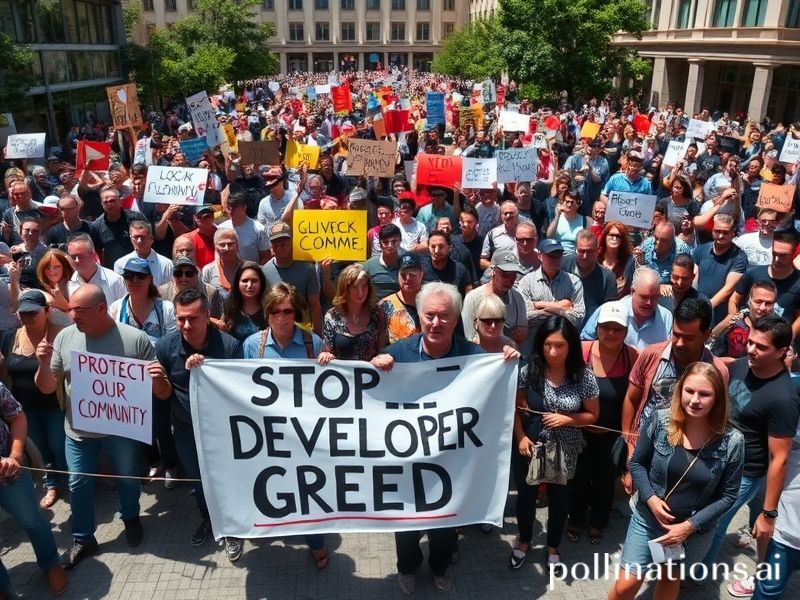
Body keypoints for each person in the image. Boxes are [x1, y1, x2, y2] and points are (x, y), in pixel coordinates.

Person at [369, 282, 508, 594]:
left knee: (445, 527)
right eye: (429, 315)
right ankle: (407, 568)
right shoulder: (397, 354)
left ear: (456, 319)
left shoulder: (476, 358)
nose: (436, 322)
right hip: (407, 463)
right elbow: (369, 399)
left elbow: (500, 391)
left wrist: (506, 361)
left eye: (444, 316)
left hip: (451, 463)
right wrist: (375, 366)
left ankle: (440, 567)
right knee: (405, 527)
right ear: (419, 317)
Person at [33, 284, 171, 568]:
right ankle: (84, 538)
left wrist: (158, 380)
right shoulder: (65, 339)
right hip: (78, 430)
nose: (72, 316)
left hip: (121, 430)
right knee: (78, 482)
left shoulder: (135, 340)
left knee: (127, 474)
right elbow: (47, 388)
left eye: (78, 310)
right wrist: (43, 365)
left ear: (100, 309)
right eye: (70, 309)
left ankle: (131, 517)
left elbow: (163, 393)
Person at [608, 363, 744, 600]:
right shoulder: (661, 420)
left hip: (688, 534)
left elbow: (728, 495)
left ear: (718, 398)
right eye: (689, 391)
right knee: (625, 585)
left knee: (669, 581)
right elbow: (637, 463)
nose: (694, 400)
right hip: (647, 521)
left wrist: (689, 526)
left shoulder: (732, 441)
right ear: (680, 390)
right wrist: (650, 498)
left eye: (704, 394)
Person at [701, 315, 799, 597]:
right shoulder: (745, 365)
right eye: (750, 342)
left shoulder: (783, 399)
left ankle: (695, 575)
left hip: (744, 472)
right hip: (716, 457)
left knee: (715, 523)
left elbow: (779, 458)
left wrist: (768, 515)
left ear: (782, 352)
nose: (751, 350)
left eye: (761, 347)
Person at [241, 282, 329, 568]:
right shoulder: (253, 345)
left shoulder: (311, 343)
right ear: (267, 314)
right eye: (275, 311)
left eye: (288, 311)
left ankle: (315, 541)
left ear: (296, 313)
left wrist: (329, 363)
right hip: (268, 434)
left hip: (305, 434)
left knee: (308, 489)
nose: (281, 317)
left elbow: (326, 391)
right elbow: (241, 386)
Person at [155, 289, 244, 555]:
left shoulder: (229, 346)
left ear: (207, 316)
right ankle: (209, 519)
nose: (186, 325)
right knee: (198, 481)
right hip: (185, 431)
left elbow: (240, 391)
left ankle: (232, 528)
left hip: (223, 432)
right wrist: (157, 381)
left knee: (226, 480)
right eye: (181, 319)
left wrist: (207, 371)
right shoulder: (165, 346)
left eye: (193, 318)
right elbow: (163, 393)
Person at [511, 315, 599, 568]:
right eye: (548, 344)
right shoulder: (529, 371)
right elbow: (515, 408)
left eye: (559, 345)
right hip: (531, 446)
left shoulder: (583, 376)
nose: (552, 351)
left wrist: (567, 419)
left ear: (571, 345)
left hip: (565, 449)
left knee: (560, 501)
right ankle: (525, 541)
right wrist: (521, 437)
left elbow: (593, 415)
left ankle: (552, 547)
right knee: (526, 498)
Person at [619, 298, 729, 492]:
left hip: (684, 457)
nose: (679, 343)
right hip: (643, 449)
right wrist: (629, 445)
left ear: (707, 335)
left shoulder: (717, 371)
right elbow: (631, 399)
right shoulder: (651, 355)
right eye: (676, 334)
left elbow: (716, 418)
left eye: (688, 337)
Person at [567, 301, 638, 545]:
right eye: (605, 327)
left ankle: (598, 522)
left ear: (626, 331)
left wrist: (630, 437)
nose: (610, 333)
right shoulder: (582, 350)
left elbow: (636, 399)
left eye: (617, 328)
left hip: (612, 436)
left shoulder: (632, 356)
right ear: (596, 328)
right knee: (577, 479)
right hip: (580, 431)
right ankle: (575, 518)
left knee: (604, 483)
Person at [108, 257, 178, 487]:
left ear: (150, 279)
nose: (134, 281)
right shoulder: (117, 307)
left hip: (158, 375)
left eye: (140, 276)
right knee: (138, 424)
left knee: (161, 424)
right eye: (129, 276)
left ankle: (171, 465)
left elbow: (171, 341)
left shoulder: (164, 308)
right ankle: (153, 462)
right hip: (128, 379)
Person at [0, 383, 67, 596]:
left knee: (32, 519)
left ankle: (50, 562)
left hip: (9, 472)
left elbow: (16, 415)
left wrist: (16, 454)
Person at [0, 290, 65, 509]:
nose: (27, 317)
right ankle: (52, 483)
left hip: (57, 405)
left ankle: (75, 480)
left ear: (47, 311)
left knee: (59, 444)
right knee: (41, 449)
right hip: (24, 408)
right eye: (23, 313)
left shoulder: (63, 334)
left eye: (32, 313)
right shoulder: (9, 337)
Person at [729, 229, 800, 341]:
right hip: (745, 338)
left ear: (794, 254)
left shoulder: (798, 282)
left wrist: (789, 339)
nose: (777, 259)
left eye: (783, 256)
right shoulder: (753, 273)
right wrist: (738, 324)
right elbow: (734, 300)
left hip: (777, 341)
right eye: (774, 254)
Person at [582, 267, 674, 350]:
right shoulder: (609, 311)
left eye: (654, 297)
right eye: (644, 297)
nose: (649, 303)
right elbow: (585, 341)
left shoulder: (666, 317)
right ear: (632, 291)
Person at [261, 221, 323, 335]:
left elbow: (314, 304)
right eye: (275, 245)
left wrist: (318, 335)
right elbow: (266, 307)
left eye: (283, 244)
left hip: (303, 330)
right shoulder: (264, 271)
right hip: (277, 330)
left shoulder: (307, 268)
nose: (279, 248)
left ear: (291, 242)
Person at [318, 264, 388, 363]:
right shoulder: (332, 316)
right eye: (355, 287)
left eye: (364, 286)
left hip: (371, 375)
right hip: (340, 376)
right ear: (345, 289)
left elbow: (384, 349)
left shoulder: (378, 314)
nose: (361, 292)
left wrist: (381, 358)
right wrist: (325, 354)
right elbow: (326, 350)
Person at [461, 249, 528, 345]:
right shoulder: (473, 298)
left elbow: (523, 331)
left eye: (513, 275)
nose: (509, 280)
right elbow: (468, 336)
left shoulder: (517, 298)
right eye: (505, 275)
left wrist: (521, 333)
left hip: (510, 354)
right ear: (493, 272)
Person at [693, 213, 749, 325]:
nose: (720, 235)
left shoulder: (739, 257)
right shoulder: (701, 250)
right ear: (712, 230)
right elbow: (693, 279)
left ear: (733, 233)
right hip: (697, 308)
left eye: (725, 232)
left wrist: (706, 307)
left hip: (719, 315)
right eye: (717, 231)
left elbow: (728, 289)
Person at [561, 229, 617, 327]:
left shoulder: (607, 278)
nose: (585, 256)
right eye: (581, 251)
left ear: (597, 251)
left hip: (591, 331)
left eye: (590, 251)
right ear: (576, 249)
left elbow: (609, 312)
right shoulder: (562, 266)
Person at [711, 280, 777, 361]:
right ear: (749, 301)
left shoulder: (779, 329)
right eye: (758, 302)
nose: (762, 307)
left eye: (769, 303)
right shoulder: (732, 324)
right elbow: (715, 355)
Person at [89, 185, 148, 269]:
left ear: (120, 202)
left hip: (140, 269)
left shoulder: (137, 218)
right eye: (105, 202)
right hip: (114, 272)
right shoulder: (96, 226)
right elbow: (97, 252)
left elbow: (149, 240)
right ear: (102, 205)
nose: (109, 204)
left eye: (112, 201)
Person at [66, 234, 126, 306]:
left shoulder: (115, 280)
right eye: (73, 257)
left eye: (80, 256)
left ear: (93, 254)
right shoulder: (68, 283)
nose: (77, 260)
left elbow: (123, 310)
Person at [378, 253, 424, 344]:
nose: (407, 279)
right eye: (403, 274)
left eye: (412, 274)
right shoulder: (384, 306)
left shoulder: (432, 301)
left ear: (422, 274)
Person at [112, 221, 174, 286]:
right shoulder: (121, 264)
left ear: (151, 239)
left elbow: (169, 291)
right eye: (136, 237)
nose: (139, 241)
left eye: (143, 237)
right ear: (131, 239)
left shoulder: (167, 264)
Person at [219, 261, 268, 342]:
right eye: (245, 281)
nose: (249, 285)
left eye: (254, 281)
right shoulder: (230, 308)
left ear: (261, 283)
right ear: (237, 283)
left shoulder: (269, 309)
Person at [218, 192, 271, 264]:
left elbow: (266, 257)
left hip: (250, 272)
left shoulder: (259, 229)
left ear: (244, 208)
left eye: (234, 208)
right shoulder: (221, 229)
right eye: (229, 208)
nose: (230, 211)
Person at [201, 228, 242, 316]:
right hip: (217, 322)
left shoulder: (246, 268)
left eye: (230, 244)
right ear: (215, 247)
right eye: (222, 245)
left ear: (237, 245)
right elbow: (204, 300)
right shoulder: (208, 270)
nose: (226, 248)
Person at [422, 230, 472, 297]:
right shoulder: (421, 269)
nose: (436, 251)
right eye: (433, 247)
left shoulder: (460, 270)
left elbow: (469, 293)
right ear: (428, 247)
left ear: (450, 248)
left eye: (441, 246)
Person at [362, 223, 405, 301]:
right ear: (380, 244)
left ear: (400, 241)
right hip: (375, 309)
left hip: (401, 309)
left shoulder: (407, 264)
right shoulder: (368, 266)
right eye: (385, 242)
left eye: (394, 241)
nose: (390, 245)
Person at [34, 248, 74, 327]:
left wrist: (65, 306)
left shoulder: (74, 287)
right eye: (47, 267)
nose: (51, 270)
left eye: (56, 267)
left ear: (65, 267)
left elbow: (83, 319)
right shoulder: (42, 290)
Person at [546, 190, 594, 255]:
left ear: (578, 204)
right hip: (558, 255)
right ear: (562, 202)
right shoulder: (557, 219)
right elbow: (549, 236)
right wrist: (557, 216)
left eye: (571, 202)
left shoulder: (585, 220)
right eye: (567, 202)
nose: (569, 204)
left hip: (575, 256)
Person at [598, 221, 636, 298]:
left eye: (618, 236)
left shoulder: (629, 262)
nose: (614, 238)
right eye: (611, 235)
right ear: (605, 236)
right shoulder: (596, 259)